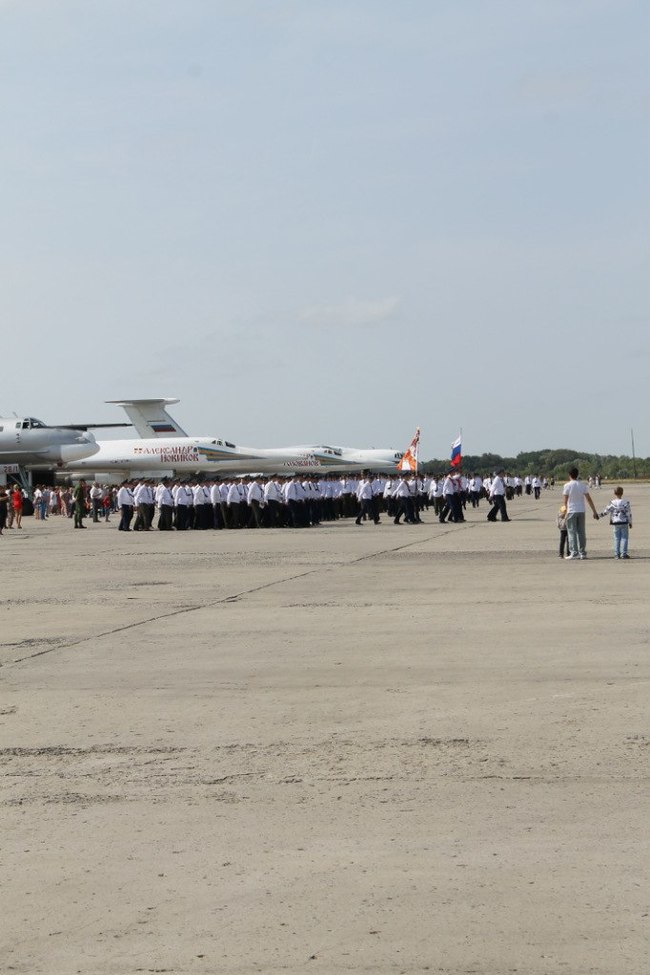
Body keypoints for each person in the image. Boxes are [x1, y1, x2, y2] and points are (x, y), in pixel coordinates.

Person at [562, 467, 599, 559]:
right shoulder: (582, 485)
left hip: (571, 511)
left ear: (569, 475)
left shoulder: (567, 485)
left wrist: (564, 511)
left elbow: (565, 501)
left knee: (572, 532)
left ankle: (574, 552)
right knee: (581, 532)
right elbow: (589, 499)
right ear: (577, 475)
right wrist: (594, 511)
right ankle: (582, 552)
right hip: (581, 511)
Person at [600, 486, 632, 559]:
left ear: (614, 493)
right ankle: (623, 554)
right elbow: (629, 513)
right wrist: (630, 522)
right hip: (624, 522)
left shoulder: (612, 502)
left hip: (615, 522)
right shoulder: (626, 502)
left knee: (616, 538)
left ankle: (617, 554)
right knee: (624, 538)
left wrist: (599, 516)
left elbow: (606, 511)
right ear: (622, 493)